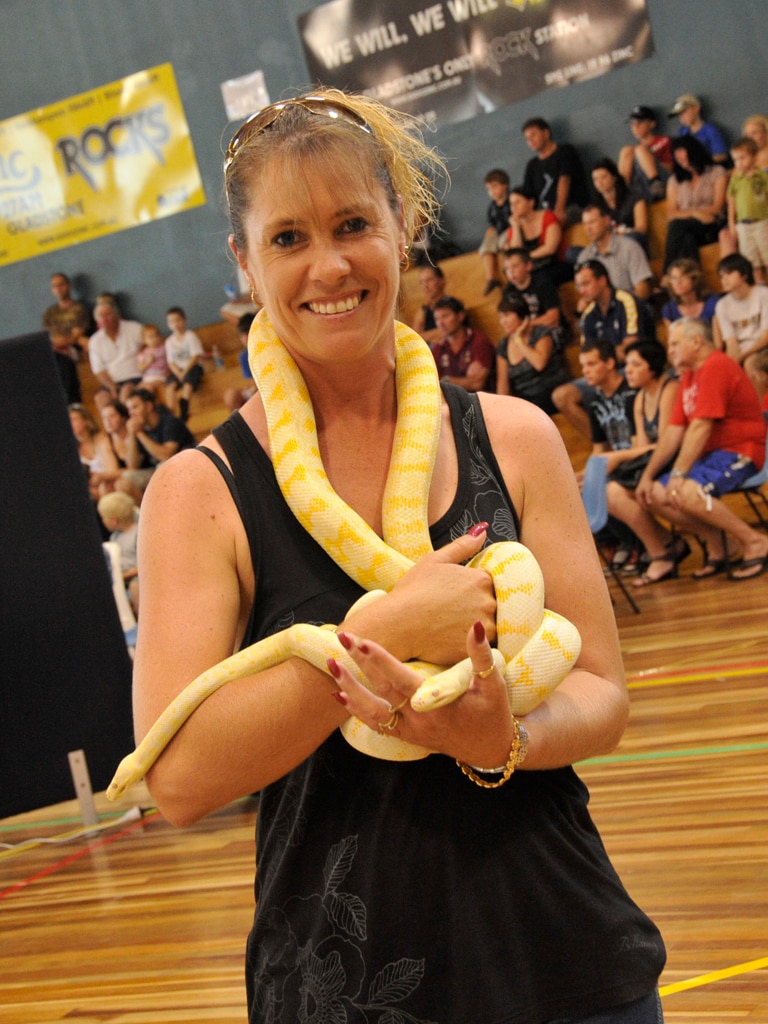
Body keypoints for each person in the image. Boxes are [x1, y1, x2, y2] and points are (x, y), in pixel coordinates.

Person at [132, 87, 665, 1022]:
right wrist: (372, 637)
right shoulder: (200, 492)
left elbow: (603, 693)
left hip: (569, 958)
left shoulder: (516, 435)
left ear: (405, 225)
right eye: (287, 238)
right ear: (243, 264)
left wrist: (500, 740)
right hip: (345, 987)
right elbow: (176, 783)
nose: (327, 265)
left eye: (352, 224)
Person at [635, 317, 768, 581]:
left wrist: (678, 474)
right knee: (655, 494)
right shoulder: (690, 376)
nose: (670, 350)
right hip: (712, 457)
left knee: (687, 492)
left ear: (696, 342)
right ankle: (721, 545)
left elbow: (701, 427)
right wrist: (648, 476)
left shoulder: (716, 365)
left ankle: (756, 541)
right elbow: (674, 431)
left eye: (675, 343)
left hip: (740, 451)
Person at [602, 341, 682, 582]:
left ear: (653, 367)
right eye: (627, 364)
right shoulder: (639, 398)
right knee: (612, 492)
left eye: (636, 364)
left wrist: (616, 457)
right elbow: (641, 449)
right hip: (656, 460)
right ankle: (665, 546)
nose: (629, 370)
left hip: (676, 459)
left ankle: (663, 553)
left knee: (617, 487)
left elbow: (667, 442)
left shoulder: (669, 388)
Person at [552, 260, 655, 438]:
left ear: (602, 280)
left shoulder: (626, 301)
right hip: (606, 370)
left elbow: (631, 349)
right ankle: (604, 446)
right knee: (562, 396)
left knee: (620, 377)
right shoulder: (588, 316)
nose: (582, 290)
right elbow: (587, 355)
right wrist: (607, 358)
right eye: (578, 286)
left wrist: (604, 360)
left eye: (586, 283)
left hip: (635, 367)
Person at [495, 293, 570, 415]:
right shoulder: (503, 345)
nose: (503, 321)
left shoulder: (540, 333)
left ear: (521, 315)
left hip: (551, 390)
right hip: (526, 399)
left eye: (507, 315)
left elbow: (539, 363)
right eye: (501, 317)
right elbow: (502, 385)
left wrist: (519, 340)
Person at [663, 135, 728, 271]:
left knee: (677, 226)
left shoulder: (716, 172)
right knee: (687, 238)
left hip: (712, 224)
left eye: (681, 151)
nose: (679, 157)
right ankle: (693, 278)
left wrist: (689, 214)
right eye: (676, 154)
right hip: (689, 226)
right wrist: (695, 214)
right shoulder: (674, 180)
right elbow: (671, 213)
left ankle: (667, 272)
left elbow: (717, 207)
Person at [124, 387, 196, 497]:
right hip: (158, 470)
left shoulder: (170, 422)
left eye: (135, 407)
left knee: (162, 469)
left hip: (185, 467)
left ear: (149, 406)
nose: (131, 413)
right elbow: (132, 465)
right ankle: (145, 514)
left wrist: (139, 433)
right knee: (127, 478)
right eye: (129, 409)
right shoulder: (141, 428)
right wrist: (132, 435)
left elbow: (166, 455)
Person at [575, 204, 654, 302]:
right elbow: (584, 294)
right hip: (602, 313)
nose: (588, 228)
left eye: (592, 222)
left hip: (630, 308)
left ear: (607, 221)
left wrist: (622, 309)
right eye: (585, 224)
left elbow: (643, 289)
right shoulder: (584, 257)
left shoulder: (629, 247)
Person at [714, 253, 768, 392]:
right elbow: (731, 342)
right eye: (721, 276)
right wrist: (732, 362)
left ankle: (761, 411)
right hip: (741, 350)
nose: (724, 279)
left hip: (761, 347)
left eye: (729, 273)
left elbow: (765, 337)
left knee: (751, 364)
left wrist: (743, 356)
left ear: (744, 274)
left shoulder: (763, 294)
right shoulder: (722, 305)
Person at [521, 117, 589, 225]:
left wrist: (559, 209)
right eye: (527, 138)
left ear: (546, 133)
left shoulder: (565, 151)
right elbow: (527, 196)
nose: (530, 141)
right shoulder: (532, 165)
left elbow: (564, 180)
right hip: (545, 214)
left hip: (573, 208)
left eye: (533, 135)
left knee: (550, 224)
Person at [505, 184, 571, 286]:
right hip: (532, 267)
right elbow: (515, 255)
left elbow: (550, 248)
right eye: (511, 204)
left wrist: (525, 258)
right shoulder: (514, 226)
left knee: (538, 279)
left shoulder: (548, 217)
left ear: (531, 203)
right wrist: (516, 228)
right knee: (512, 285)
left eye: (518, 202)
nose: (513, 207)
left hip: (556, 263)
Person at [721, 136, 768, 282]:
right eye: (735, 160)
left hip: (762, 222)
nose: (739, 163)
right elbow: (732, 202)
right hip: (744, 226)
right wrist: (732, 224)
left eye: (743, 158)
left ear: (754, 156)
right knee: (753, 262)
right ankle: (761, 289)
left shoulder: (762, 177)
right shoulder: (736, 180)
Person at [501, 246, 567, 345]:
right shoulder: (508, 292)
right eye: (507, 269)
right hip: (525, 333)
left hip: (550, 330)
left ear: (528, 266)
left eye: (515, 266)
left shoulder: (542, 282)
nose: (511, 272)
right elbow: (508, 321)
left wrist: (524, 325)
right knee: (504, 346)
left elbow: (553, 318)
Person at [431, 296, 496, 392]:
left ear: (460, 316)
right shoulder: (438, 349)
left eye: (445, 316)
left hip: (484, 401)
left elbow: (477, 384)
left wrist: (446, 380)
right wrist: (465, 381)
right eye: (437, 319)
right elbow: (433, 384)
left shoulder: (479, 341)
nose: (440, 323)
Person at [88, 297, 144, 400]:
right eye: (101, 316)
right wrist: (111, 386)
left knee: (126, 393)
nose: (105, 319)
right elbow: (99, 370)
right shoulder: (94, 341)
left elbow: (149, 347)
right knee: (101, 398)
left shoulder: (134, 328)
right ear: (97, 320)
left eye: (108, 315)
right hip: (112, 382)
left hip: (136, 378)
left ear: (116, 314)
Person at [589, 157, 649, 251]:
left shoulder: (634, 197)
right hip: (608, 248)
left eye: (604, 177)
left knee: (634, 238)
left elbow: (642, 228)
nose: (599, 183)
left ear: (614, 177)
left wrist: (621, 235)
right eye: (595, 179)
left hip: (631, 243)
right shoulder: (596, 206)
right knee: (573, 252)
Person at [617, 105, 673, 203]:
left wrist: (650, 160)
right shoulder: (632, 151)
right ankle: (621, 194)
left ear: (652, 124)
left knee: (640, 150)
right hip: (642, 187)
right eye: (632, 124)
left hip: (666, 183)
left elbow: (673, 167)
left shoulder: (664, 141)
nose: (635, 127)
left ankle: (657, 187)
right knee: (626, 150)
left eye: (640, 122)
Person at [97, 490, 140, 614]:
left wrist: (124, 576)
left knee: (135, 586)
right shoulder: (115, 537)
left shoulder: (138, 533)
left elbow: (144, 565)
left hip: (136, 577)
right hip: (120, 577)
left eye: (103, 518)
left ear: (114, 520)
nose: (103, 521)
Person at [68, 402, 120, 501]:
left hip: (109, 482)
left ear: (86, 421)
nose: (70, 424)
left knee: (104, 488)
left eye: (74, 419)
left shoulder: (101, 439)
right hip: (92, 490)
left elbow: (113, 470)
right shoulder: (73, 449)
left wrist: (100, 477)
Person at [164, 306, 205, 423]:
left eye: (178, 320)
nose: (175, 324)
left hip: (192, 367)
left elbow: (195, 356)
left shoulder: (190, 336)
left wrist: (184, 372)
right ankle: (170, 413)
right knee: (170, 385)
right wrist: (178, 373)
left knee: (188, 381)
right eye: (171, 321)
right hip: (178, 370)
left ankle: (184, 406)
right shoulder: (169, 341)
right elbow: (170, 362)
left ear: (184, 320)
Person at [662, 257, 721, 333]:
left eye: (683, 277)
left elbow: (718, 343)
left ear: (694, 278)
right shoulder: (669, 309)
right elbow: (674, 341)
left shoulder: (712, 302)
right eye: (674, 279)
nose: (678, 283)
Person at [667, 94, 729, 165]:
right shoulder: (682, 132)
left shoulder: (710, 130)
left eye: (684, 112)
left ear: (696, 108)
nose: (681, 117)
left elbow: (721, 156)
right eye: (679, 115)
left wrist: (699, 163)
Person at [478, 168, 511, 294]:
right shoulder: (492, 207)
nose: (492, 191)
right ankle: (491, 277)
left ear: (505, 186)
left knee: (505, 243)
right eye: (489, 189)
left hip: (510, 230)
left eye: (495, 187)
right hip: (499, 232)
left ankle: (508, 270)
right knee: (486, 247)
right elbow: (492, 225)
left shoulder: (511, 201)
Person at [42, 271, 92, 352]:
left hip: (73, 349)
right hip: (54, 349)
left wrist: (61, 342)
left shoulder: (79, 309)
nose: (58, 289)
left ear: (69, 286)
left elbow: (76, 336)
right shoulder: (50, 312)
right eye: (54, 286)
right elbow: (45, 336)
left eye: (61, 285)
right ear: (52, 290)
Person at [223, 311, 259, 413]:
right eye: (242, 336)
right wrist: (251, 389)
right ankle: (239, 427)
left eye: (248, 333)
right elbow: (252, 381)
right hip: (255, 389)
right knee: (231, 395)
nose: (245, 339)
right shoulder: (244, 356)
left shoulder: (268, 348)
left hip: (269, 387)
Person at [409, 263, 452, 344]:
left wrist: (424, 336)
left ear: (441, 281)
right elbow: (413, 339)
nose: (425, 286)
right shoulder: (423, 310)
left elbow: (450, 331)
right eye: (422, 282)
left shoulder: (453, 305)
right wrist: (435, 334)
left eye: (429, 280)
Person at [136, 324, 171, 400]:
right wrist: (148, 362)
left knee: (149, 387)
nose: (155, 339)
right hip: (147, 378)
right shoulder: (143, 353)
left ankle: (152, 407)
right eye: (150, 337)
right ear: (144, 340)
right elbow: (140, 368)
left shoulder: (164, 348)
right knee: (137, 390)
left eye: (156, 335)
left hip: (161, 376)